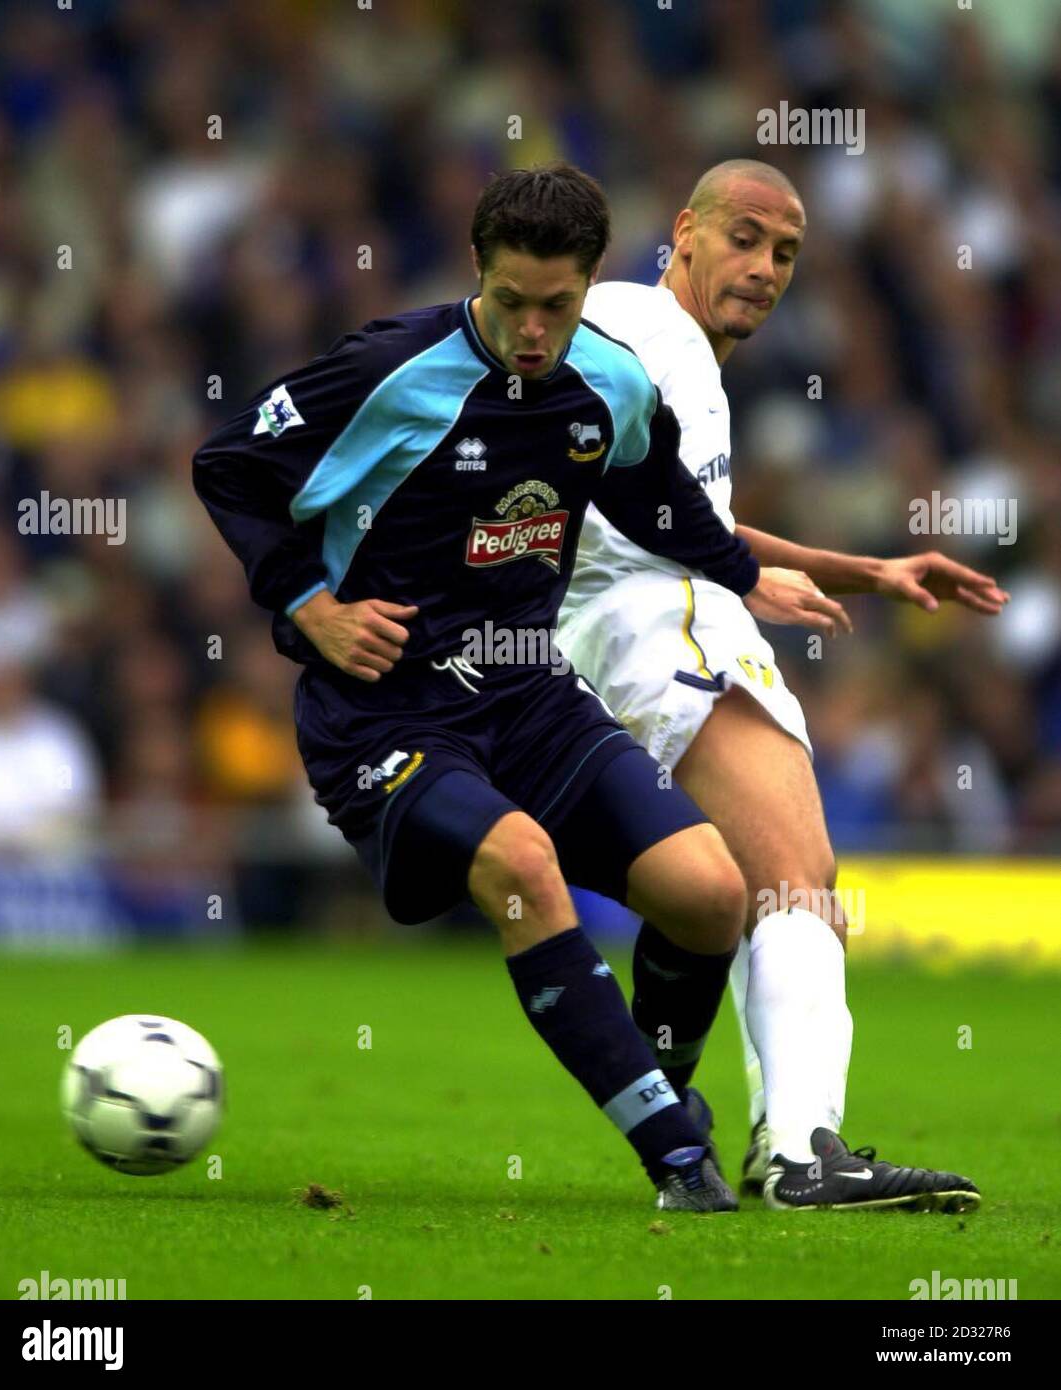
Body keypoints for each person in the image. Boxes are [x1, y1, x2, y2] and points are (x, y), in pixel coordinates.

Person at [192, 163, 839, 1212]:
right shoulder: (391, 368)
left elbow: (654, 496)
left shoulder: (613, 380)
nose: (534, 332)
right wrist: (307, 602)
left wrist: (747, 573)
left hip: (530, 695)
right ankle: (680, 1158)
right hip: (385, 711)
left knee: (713, 894)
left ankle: (656, 1084)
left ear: (591, 285)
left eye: (558, 306)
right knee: (523, 862)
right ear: (477, 273)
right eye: (512, 304)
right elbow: (230, 465)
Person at [559, 159, 1000, 1211]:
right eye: (745, 239)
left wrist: (867, 570)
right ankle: (802, 1153)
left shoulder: (685, 367)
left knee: (726, 891)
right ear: (686, 234)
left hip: (623, 626)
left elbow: (677, 514)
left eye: (786, 253)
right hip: (652, 623)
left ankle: (705, 1121)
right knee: (797, 878)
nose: (764, 268)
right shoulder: (634, 323)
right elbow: (628, 513)